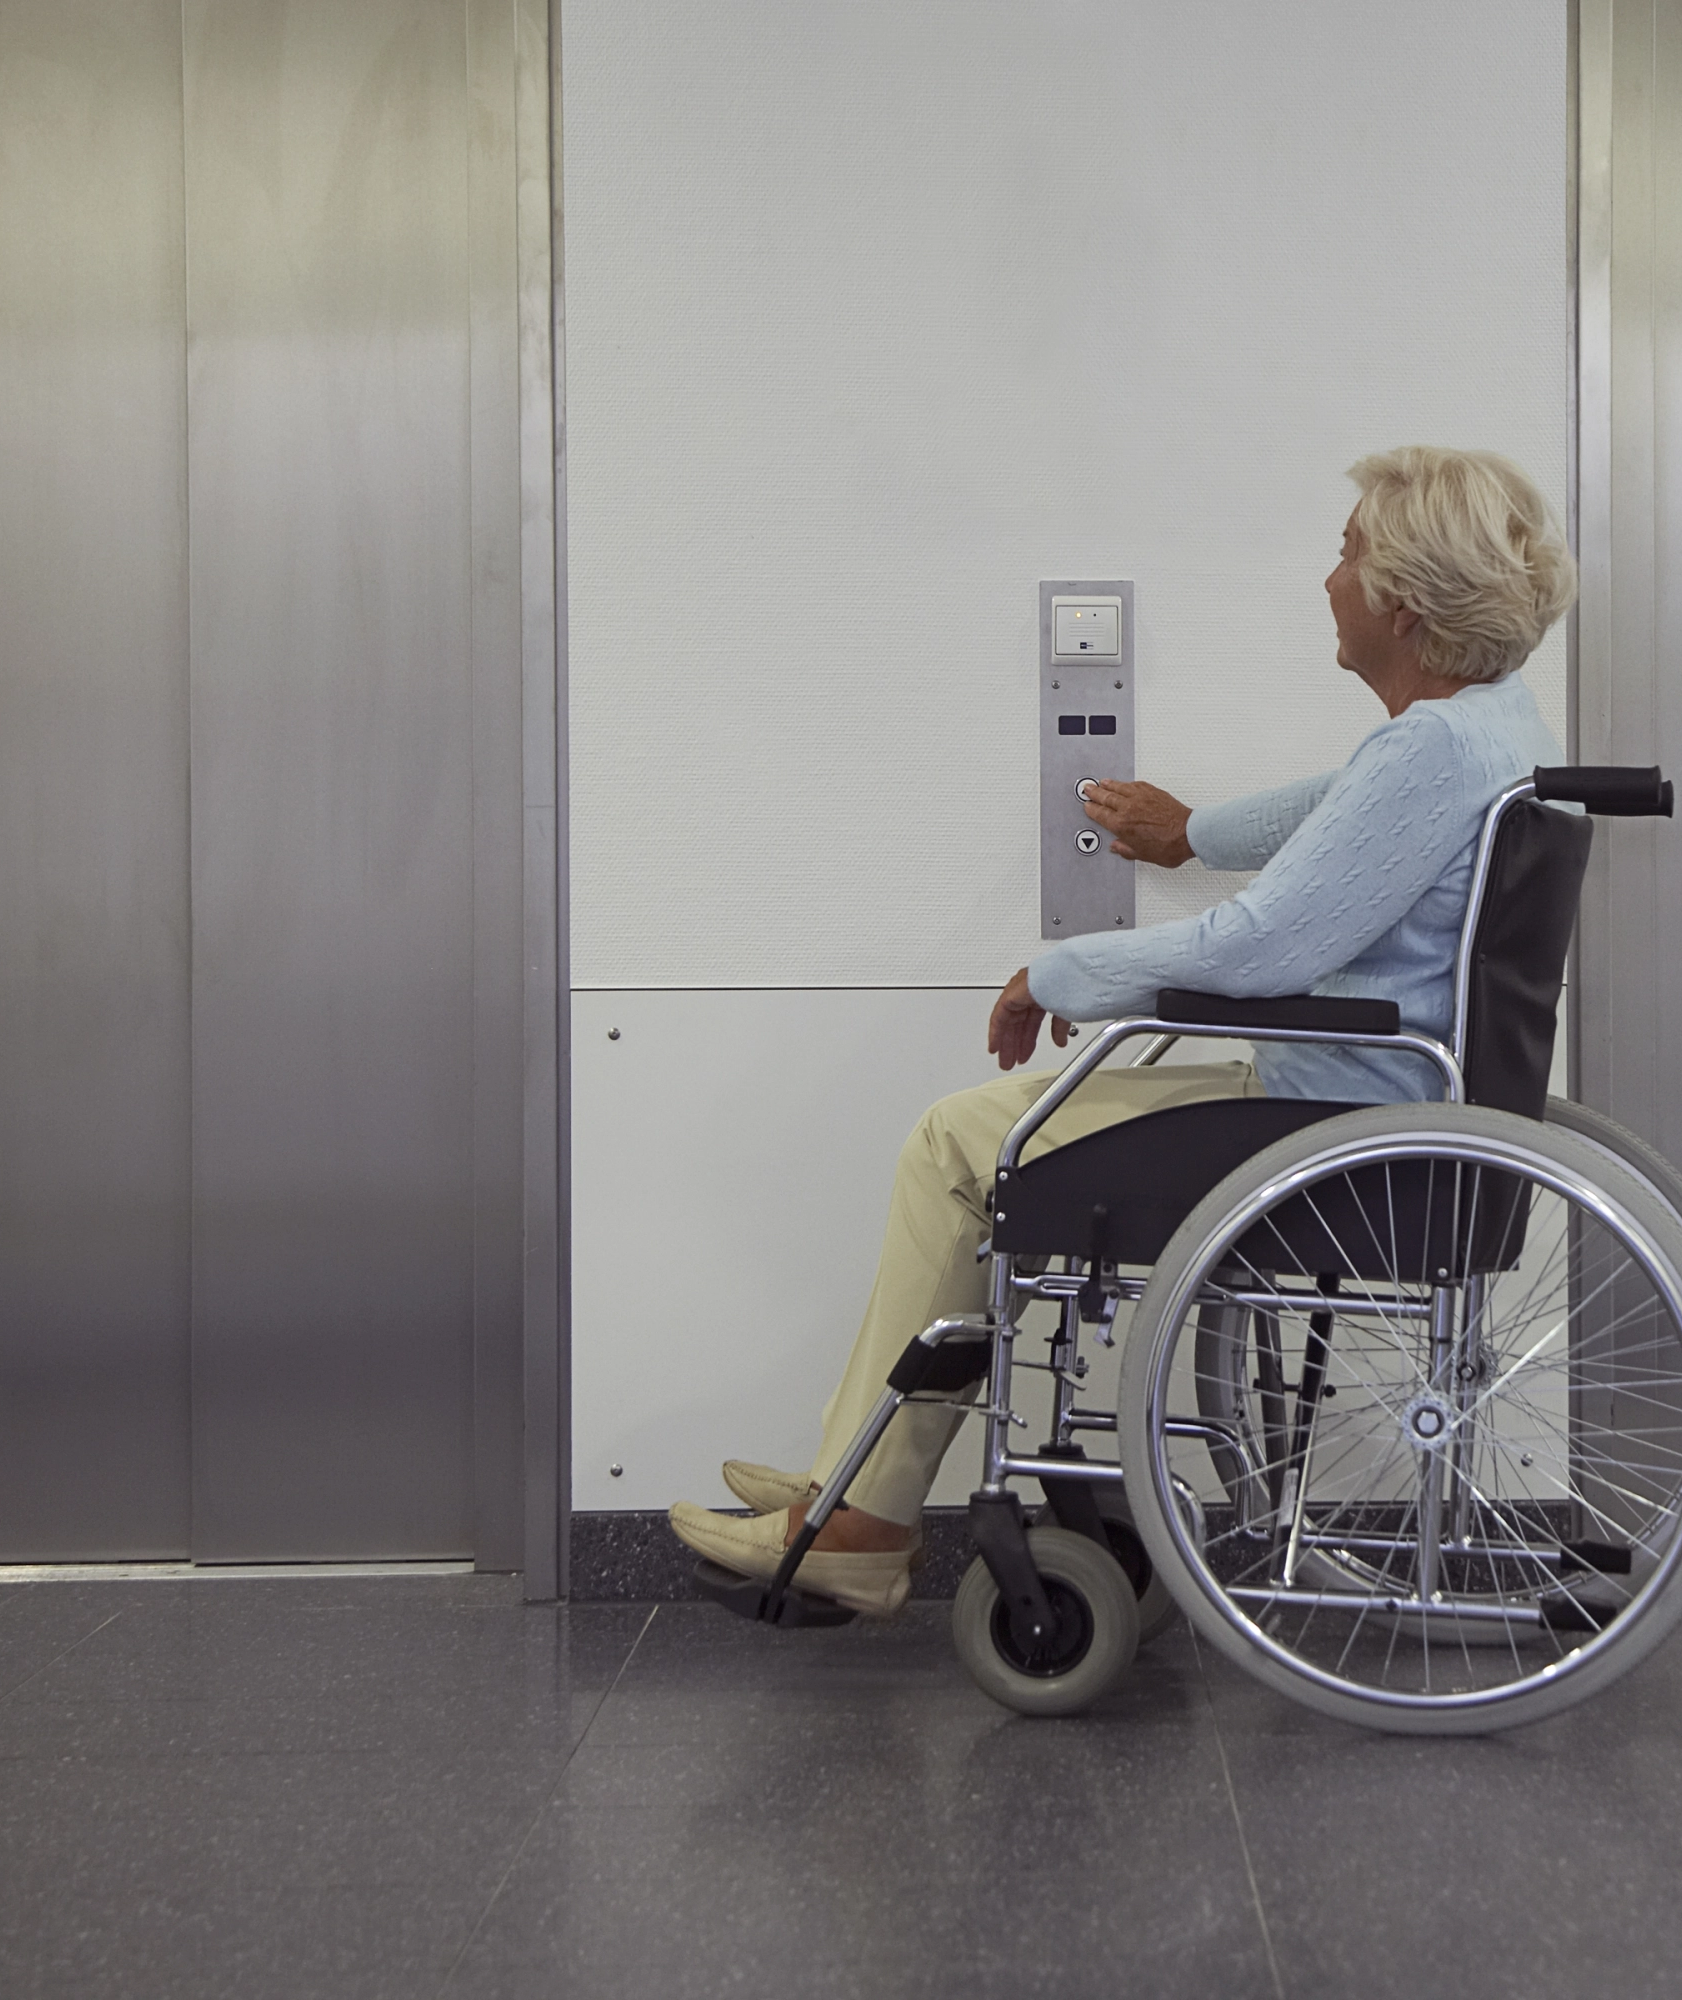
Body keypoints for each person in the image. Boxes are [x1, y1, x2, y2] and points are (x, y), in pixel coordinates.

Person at [667, 446, 1577, 1612]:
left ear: (1404, 600)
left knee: (960, 1143)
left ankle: (860, 1514)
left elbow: (1259, 951)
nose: (1328, 577)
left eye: (1349, 553)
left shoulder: (1433, 747)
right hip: (1374, 1102)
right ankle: (853, 1470)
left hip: (1331, 1127)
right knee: (977, 1136)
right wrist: (1194, 830)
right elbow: (1336, 807)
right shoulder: (1491, 726)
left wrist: (1059, 971)